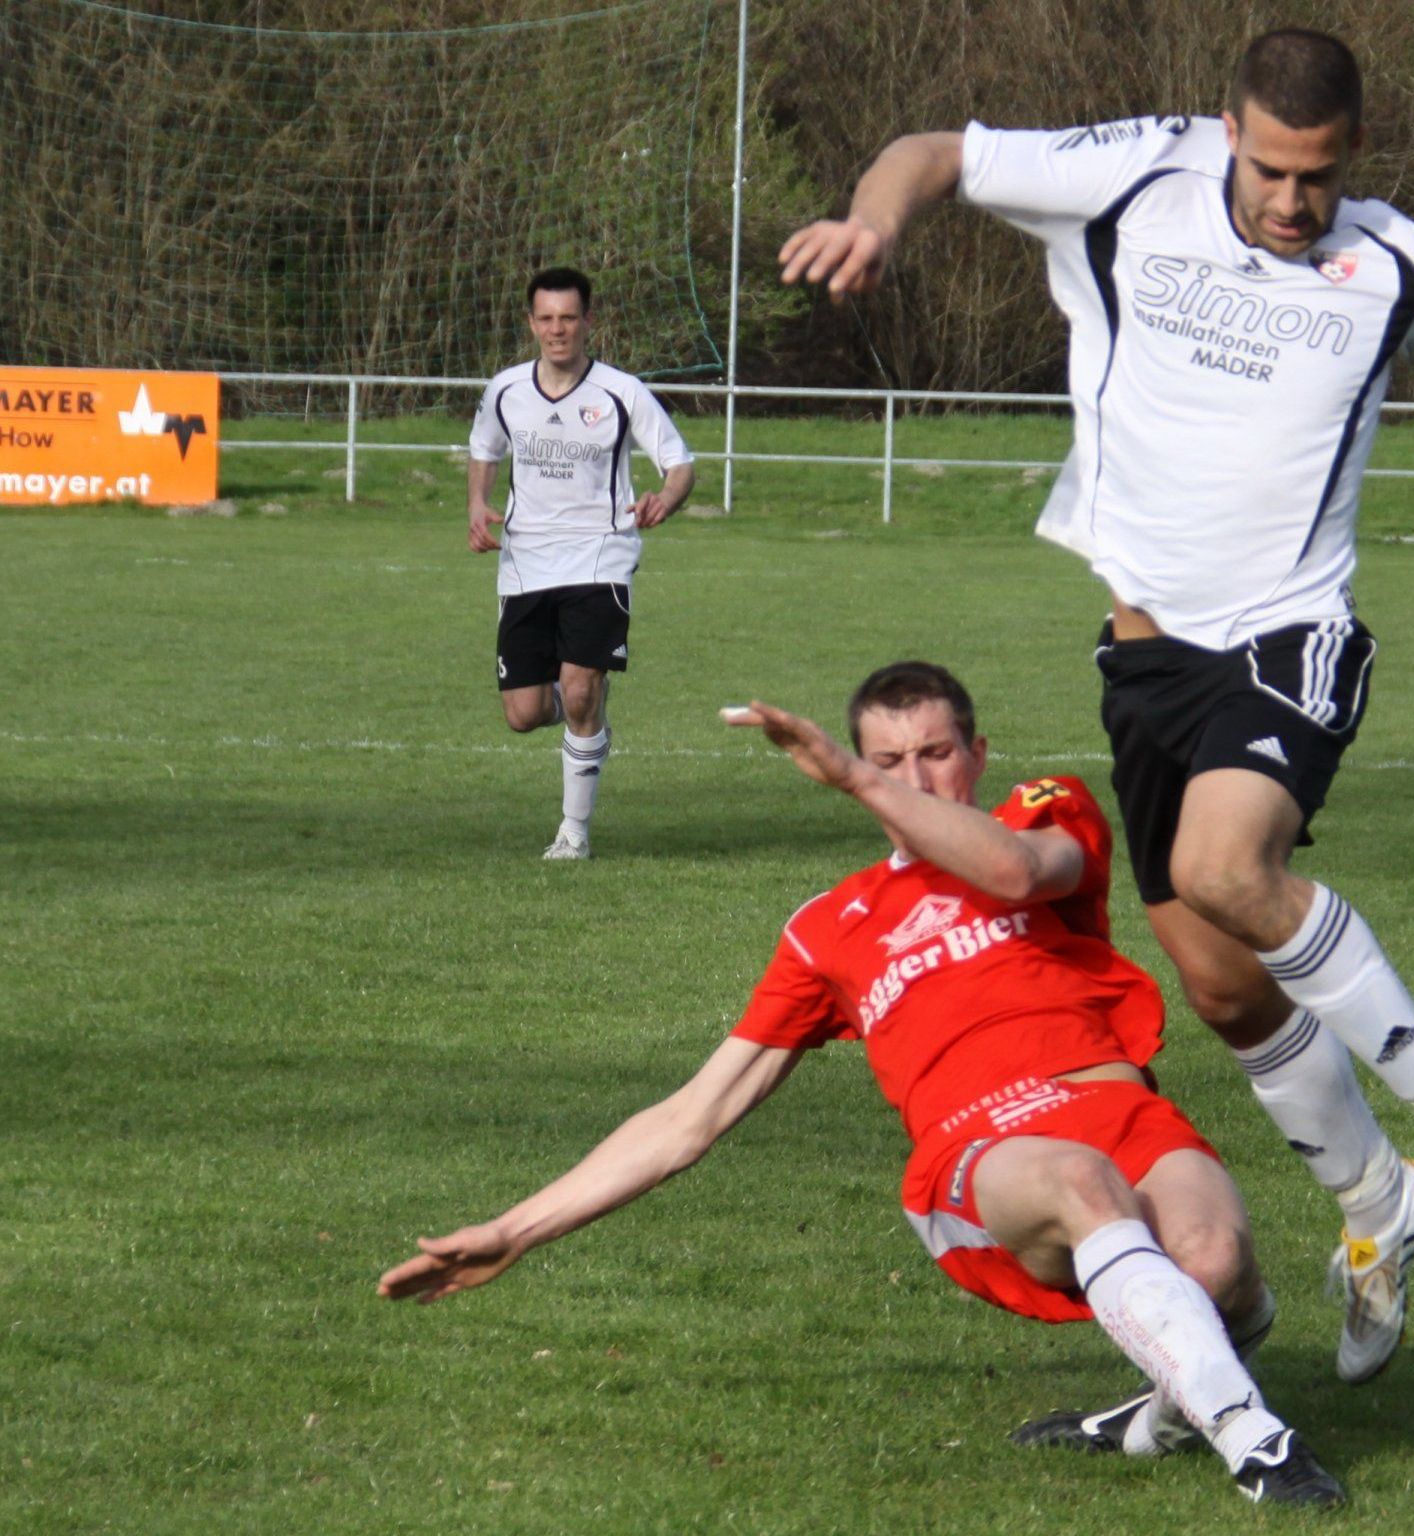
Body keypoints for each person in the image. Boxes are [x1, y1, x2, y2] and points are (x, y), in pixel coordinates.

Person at [778, 29, 1414, 1384]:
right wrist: (873, 222)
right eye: (1269, 169)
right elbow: (932, 154)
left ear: (1355, 156)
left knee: (1226, 866)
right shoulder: (1135, 177)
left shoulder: (1395, 264)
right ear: (1230, 132)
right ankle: (1382, 1203)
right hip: (1145, 658)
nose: (1289, 201)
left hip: (1291, 632)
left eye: (1317, 177)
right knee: (1219, 985)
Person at [378, 661, 1345, 1508]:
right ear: (859, 770)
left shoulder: (1046, 810)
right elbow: (689, 1117)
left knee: (1215, 1267)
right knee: (1079, 1186)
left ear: (977, 753)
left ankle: (1146, 1421)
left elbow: (1014, 873)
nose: (915, 778)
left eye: (935, 753)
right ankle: (1259, 1445)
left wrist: (844, 776)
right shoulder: (828, 927)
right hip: (983, 1154)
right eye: (885, 763)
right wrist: (513, 1229)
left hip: (1117, 1107)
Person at [466, 266, 695, 860]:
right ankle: (582, 701)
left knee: (580, 690)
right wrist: (476, 504)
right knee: (524, 714)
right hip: (524, 563)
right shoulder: (507, 390)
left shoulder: (622, 392)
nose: (557, 329)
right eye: (546, 318)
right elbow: (484, 451)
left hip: (601, 556)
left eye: (568, 317)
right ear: (531, 323)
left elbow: (679, 464)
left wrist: (664, 499)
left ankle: (574, 832)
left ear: (589, 321)